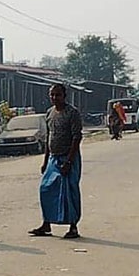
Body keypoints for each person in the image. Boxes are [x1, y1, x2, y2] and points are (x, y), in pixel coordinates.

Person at [30, 84, 83, 239]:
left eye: (58, 95)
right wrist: (45, 161)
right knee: (46, 189)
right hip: (53, 158)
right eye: (52, 95)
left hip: (68, 157)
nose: (54, 98)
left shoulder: (72, 113)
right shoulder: (50, 113)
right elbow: (49, 137)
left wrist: (69, 162)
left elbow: (77, 137)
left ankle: (73, 227)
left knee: (69, 192)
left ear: (64, 96)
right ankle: (46, 224)